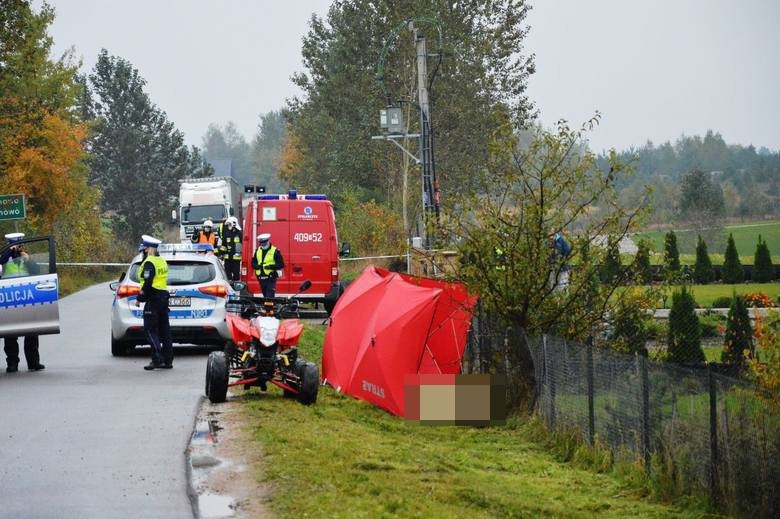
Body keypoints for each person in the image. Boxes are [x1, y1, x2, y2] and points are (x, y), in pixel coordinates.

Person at [1, 233, 45, 373]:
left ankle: (34, 362)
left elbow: (37, 272)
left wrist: (28, 260)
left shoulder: (26, 257)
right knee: (10, 334)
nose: (17, 248)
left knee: (32, 331)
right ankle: (12, 363)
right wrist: (8, 252)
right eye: (15, 245)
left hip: (28, 298)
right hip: (10, 298)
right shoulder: (4, 258)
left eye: (19, 245)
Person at [136, 235, 173, 370]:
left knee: (150, 330)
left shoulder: (149, 262)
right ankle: (168, 360)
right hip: (163, 298)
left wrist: (140, 297)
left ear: (148, 249)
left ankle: (157, 360)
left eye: (144, 249)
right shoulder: (161, 261)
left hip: (153, 298)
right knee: (165, 331)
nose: (143, 252)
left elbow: (148, 282)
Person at [252, 233, 284, 298]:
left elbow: (281, 264)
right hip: (261, 277)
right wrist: (257, 266)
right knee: (265, 296)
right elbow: (253, 263)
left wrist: (270, 266)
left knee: (269, 296)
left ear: (268, 241)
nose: (263, 246)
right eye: (261, 244)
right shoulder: (257, 250)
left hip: (270, 277)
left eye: (264, 244)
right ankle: (268, 307)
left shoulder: (275, 251)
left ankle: (269, 307)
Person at [218, 216, 242, 281]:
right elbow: (224, 245)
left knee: (236, 273)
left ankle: (236, 285)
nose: (228, 226)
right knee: (227, 273)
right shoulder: (226, 234)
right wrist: (220, 253)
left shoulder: (240, 234)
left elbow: (243, 245)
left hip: (236, 259)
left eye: (229, 224)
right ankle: (230, 285)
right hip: (227, 258)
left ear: (233, 224)